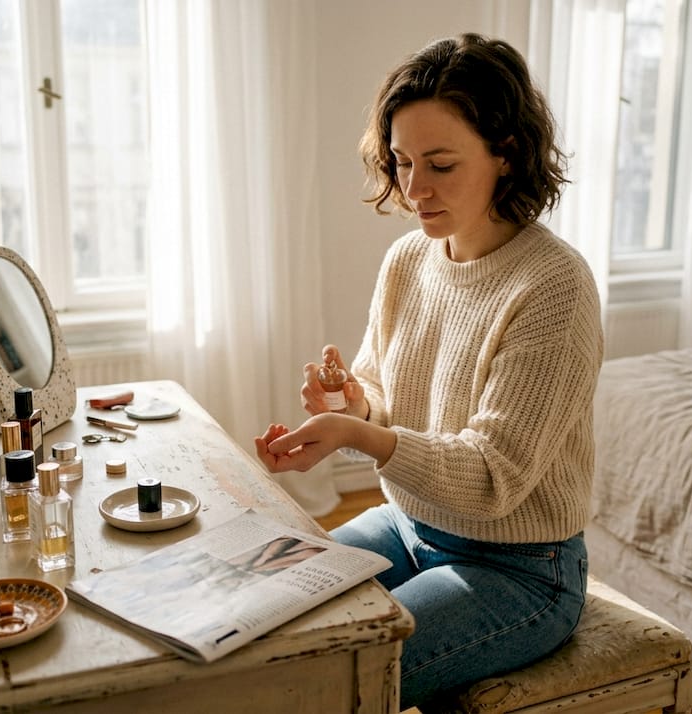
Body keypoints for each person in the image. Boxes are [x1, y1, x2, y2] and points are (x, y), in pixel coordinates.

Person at [253, 33, 604, 710]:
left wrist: (362, 437)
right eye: (403, 161)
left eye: (441, 164)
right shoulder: (411, 259)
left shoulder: (554, 286)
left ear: (506, 155)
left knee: (322, 680)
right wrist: (356, 406)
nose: (414, 189)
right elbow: (387, 396)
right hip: (409, 526)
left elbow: (492, 477)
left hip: (521, 570)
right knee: (269, 614)